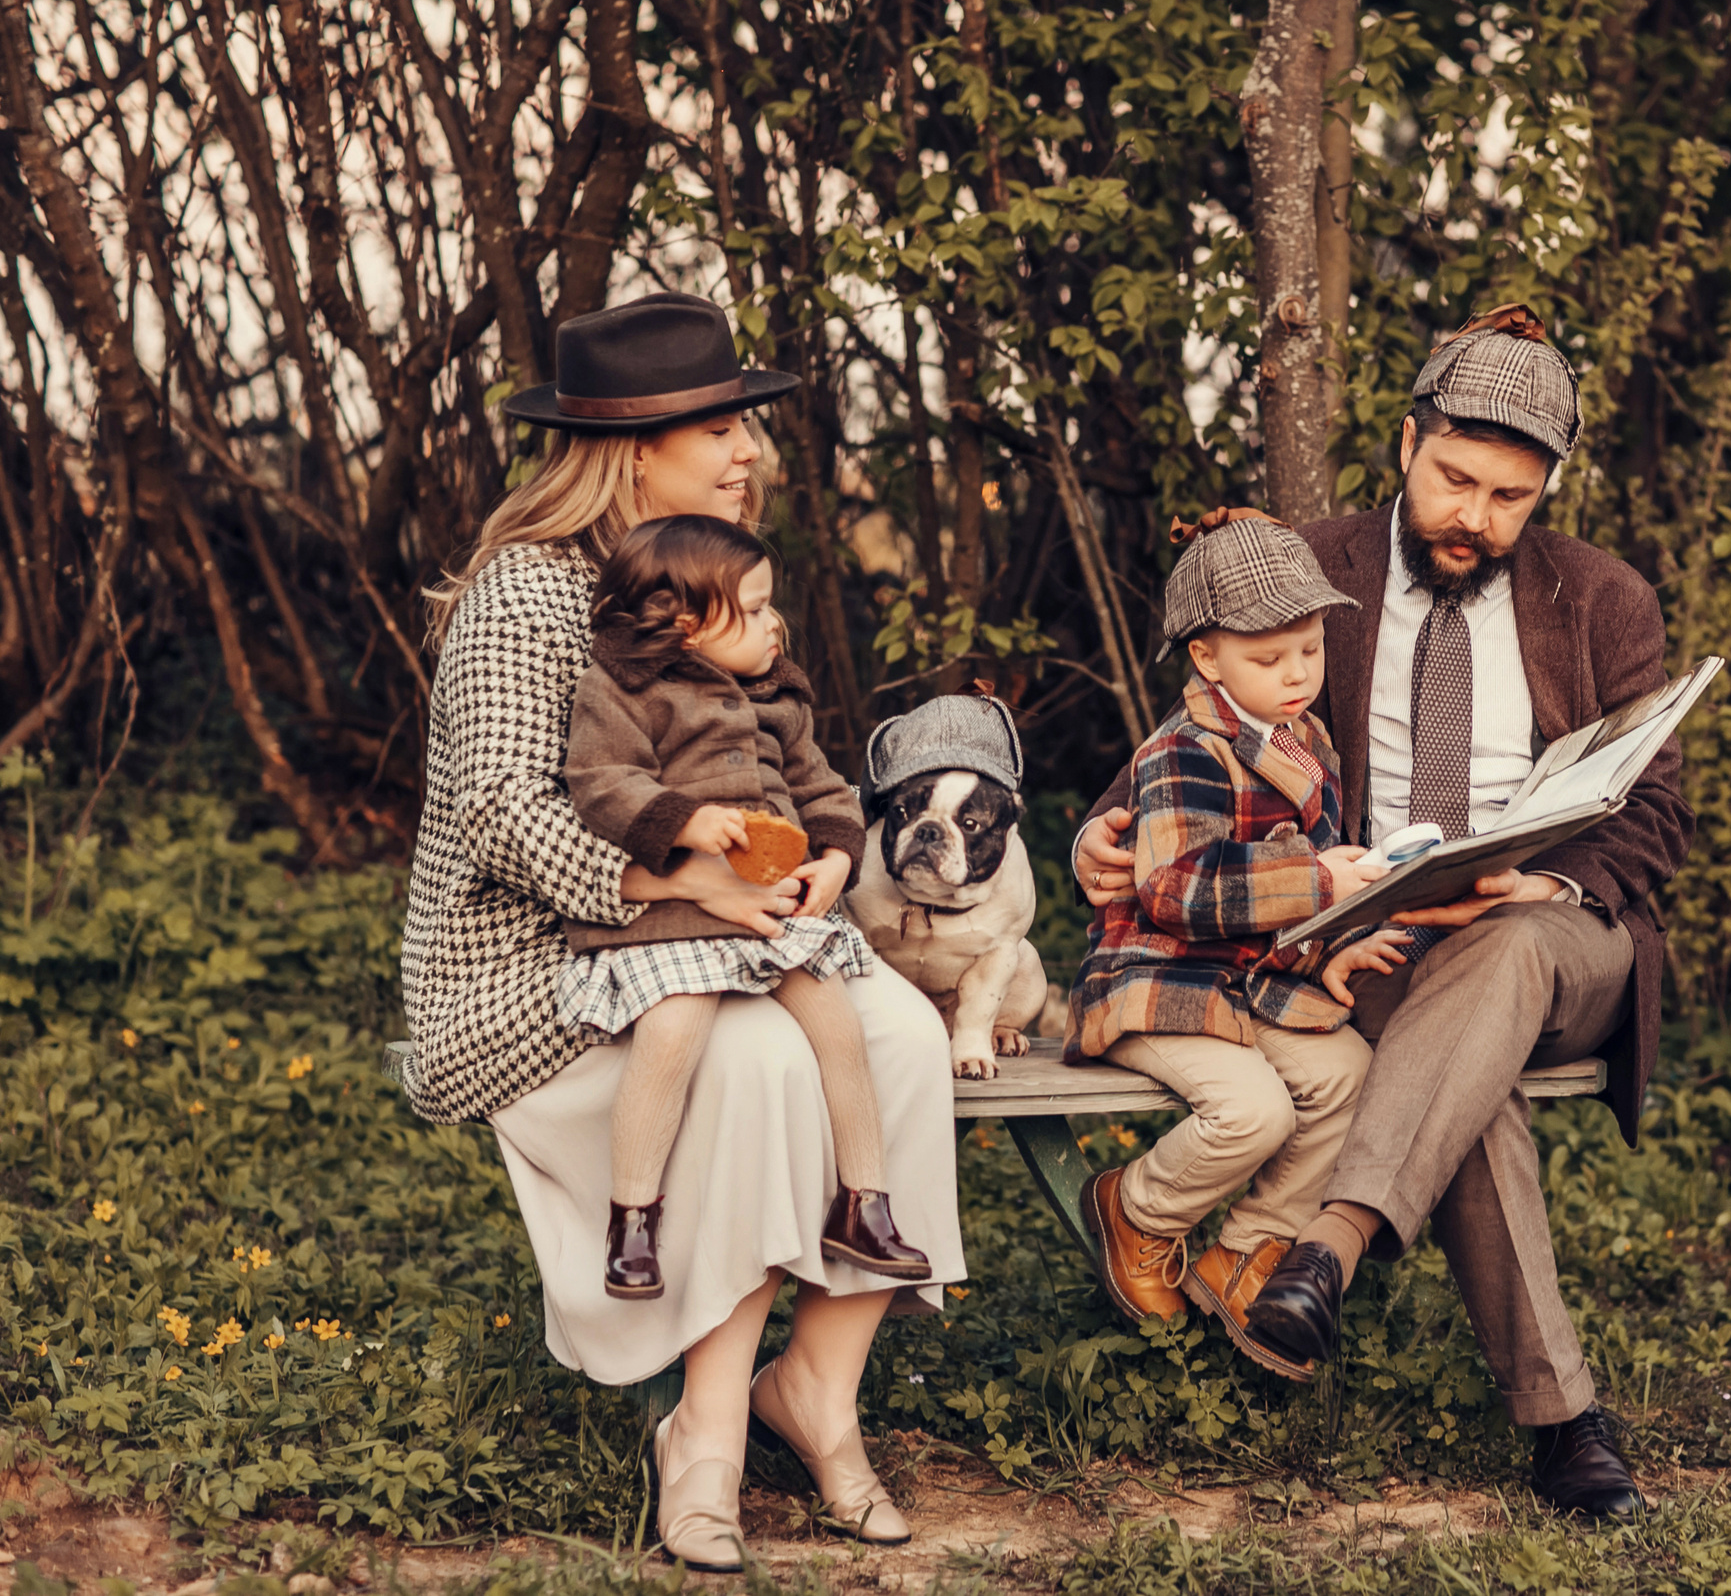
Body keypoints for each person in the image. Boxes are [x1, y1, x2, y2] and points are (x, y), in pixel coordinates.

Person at [1074, 305, 1693, 1520]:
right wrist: (1103, 831)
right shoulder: (1315, 569)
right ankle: (1560, 1422)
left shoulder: (1602, 598)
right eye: (1455, 479)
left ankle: (1333, 1245)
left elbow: (1658, 813)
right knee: (1467, 1073)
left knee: (1502, 954)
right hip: (1382, 943)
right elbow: (1198, 736)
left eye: (1510, 498)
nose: (1476, 517)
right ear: (1407, 443)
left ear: (1546, 491)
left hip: (1559, 934)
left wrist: (1549, 881)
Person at [398, 292, 962, 1569]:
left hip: (731, 928)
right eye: (720, 427)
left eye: (742, 424)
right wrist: (687, 893)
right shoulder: (525, 597)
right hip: (535, 963)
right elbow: (499, 816)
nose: (748, 448)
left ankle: (815, 1387)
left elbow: (779, 762)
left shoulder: (707, 571)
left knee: (902, 1037)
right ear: (633, 450)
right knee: (755, 1059)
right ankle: (705, 1432)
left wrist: (822, 861)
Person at [1067, 509, 1406, 1380]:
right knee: (1256, 1111)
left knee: (1349, 1076)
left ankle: (1248, 1250)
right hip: (1161, 981)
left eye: (1310, 649)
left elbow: (1302, 902)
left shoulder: (1309, 744)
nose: (1296, 673)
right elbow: (1176, 888)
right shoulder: (1183, 752)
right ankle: (1138, 1210)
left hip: (1252, 982)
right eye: (1269, 657)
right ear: (1207, 658)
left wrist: (1331, 945)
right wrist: (1320, 880)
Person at [563, 513, 930, 1301]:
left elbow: (822, 785)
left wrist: (836, 856)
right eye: (757, 608)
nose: (776, 624)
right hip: (676, 916)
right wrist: (683, 821)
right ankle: (632, 1217)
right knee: (673, 1031)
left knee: (839, 1026)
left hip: (771, 906)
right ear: (688, 625)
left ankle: (864, 1203)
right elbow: (599, 781)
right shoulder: (622, 688)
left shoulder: (777, 694)